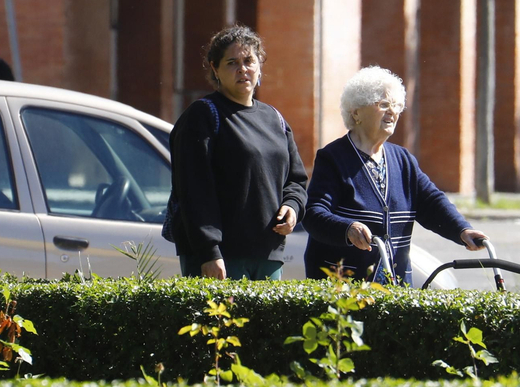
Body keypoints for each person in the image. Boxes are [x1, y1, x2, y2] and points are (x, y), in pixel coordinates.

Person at [303, 66, 489, 283]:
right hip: (344, 284)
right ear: (356, 112)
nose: (392, 111)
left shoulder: (403, 159)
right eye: (383, 105)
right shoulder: (333, 158)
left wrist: (462, 230)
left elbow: (431, 202)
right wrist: (348, 229)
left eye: (397, 105)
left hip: (395, 281)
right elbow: (314, 214)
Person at [167, 26, 308, 280]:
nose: (243, 69)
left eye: (249, 61)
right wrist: (209, 252)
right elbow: (193, 189)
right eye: (232, 63)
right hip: (219, 259)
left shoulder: (274, 118)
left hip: (268, 254)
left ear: (259, 66)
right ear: (215, 69)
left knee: (264, 322)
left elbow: (296, 179)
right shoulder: (202, 116)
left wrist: (293, 206)